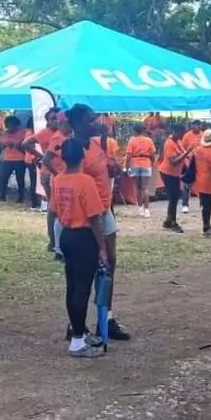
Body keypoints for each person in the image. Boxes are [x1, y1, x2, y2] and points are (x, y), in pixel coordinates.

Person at [65, 103, 131, 341]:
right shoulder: (72, 148)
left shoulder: (96, 144)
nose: (98, 123)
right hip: (87, 216)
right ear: (79, 123)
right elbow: (69, 178)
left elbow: (104, 173)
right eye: (92, 119)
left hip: (105, 211)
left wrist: (113, 170)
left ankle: (107, 318)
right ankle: (76, 324)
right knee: (84, 271)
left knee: (109, 265)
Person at [52, 138, 109, 358]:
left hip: (67, 235)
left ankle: (78, 333)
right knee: (83, 289)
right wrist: (102, 248)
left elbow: (55, 210)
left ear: (63, 158)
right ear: (82, 156)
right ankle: (77, 340)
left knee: (72, 286)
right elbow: (95, 218)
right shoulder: (85, 181)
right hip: (84, 237)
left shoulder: (58, 179)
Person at [24, 109, 63, 253]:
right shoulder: (44, 133)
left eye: (57, 118)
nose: (55, 121)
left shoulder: (62, 133)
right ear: (47, 120)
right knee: (53, 208)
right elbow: (25, 144)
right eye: (52, 119)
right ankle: (53, 241)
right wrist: (41, 156)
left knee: (60, 207)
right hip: (49, 173)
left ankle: (58, 240)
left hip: (61, 173)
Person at [158, 123, 191, 233]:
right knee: (173, 198)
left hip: (175, 174)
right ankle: (172, 222)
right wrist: (187, 153)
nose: (183, 135)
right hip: (168, 173)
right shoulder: (169, 143)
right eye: (182, 133)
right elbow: (173, 162)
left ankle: (168, 220)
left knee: (174, 197)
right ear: (176, 132)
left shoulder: (178, 141)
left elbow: (182, 154)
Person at [191, 129, 211, 236]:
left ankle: (206, 225)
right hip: (209, 181)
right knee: (208, 205)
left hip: (199, 179)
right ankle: (207, 227)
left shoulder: (197, 150)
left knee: (205, 204)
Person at [124, 123, 157, 218]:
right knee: (145, 187)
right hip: (146, 163)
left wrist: (127, 167)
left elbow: (129, 155)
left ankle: (140, 208)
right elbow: (153, 154)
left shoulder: (132, 140)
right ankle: (147, 210)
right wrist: (152, 163)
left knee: (138, 187)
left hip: (135, 163)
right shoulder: (149, 140)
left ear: (134, 131)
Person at [0, 115, 28, 204]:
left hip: (20, 159)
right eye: (9, 125)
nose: (11, 127)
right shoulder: (4, 134)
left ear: (16, 125)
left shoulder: (22, 133)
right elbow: (0, 146)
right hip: (7, 159)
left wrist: (18, 146)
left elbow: (26, 147)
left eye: (12, 125)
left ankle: (21, 197)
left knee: (20, 179)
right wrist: (6, 145)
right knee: (4, 178)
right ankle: (2, 196)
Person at [179, 120, 204, 213]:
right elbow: (182, 148)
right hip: (189, 162)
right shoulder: (187, 136)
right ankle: (185, 205)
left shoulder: (204, 135)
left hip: (201, 161)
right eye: (194, 125)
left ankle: (202, 204)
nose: (196, 126)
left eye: (198, 125)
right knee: (186, 184)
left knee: (202, 183)